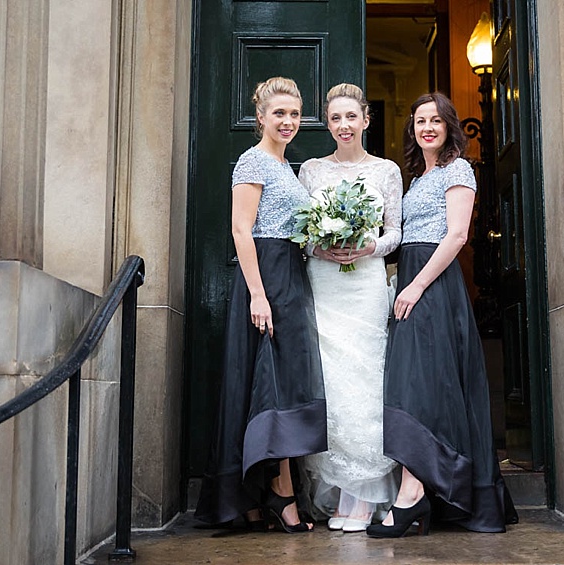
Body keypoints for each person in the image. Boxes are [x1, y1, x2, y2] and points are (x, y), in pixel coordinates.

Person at [366, 92, 518, 538]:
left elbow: (455, 237)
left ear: (450, 126)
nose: (427, 127)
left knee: (422, 387)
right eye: (419, 121)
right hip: (410, 282)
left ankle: (412, 495)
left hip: (434, 286)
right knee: (416, 385)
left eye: (435, 120)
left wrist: (415, 285)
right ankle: (418, 495)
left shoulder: (459, 170)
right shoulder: (416, 179)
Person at [195, 77, 326, 533]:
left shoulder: (288, 167)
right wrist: (257, 293)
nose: (288, 121)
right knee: (269, 385)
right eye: (280, 114)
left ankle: (263, 496)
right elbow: (240, 230)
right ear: (261, 118)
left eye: (294, 114)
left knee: (284, 386)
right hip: (265, 277)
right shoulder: (252, 161)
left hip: (291, 275)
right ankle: (277, 494)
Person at [297, 83, 402, 533]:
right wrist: (322, 250)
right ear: (328, 122)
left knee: (365, 380)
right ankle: (339, 488)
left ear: (365, 120)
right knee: (331, 382)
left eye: (351, 117)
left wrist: (367, 246)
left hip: (365, 285)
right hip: (324, 284)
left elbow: (396, 232)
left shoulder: (387, 171)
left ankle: (363, 496)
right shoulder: (311, 170)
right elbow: (299, 234)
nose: (343, 126)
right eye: (335, 118)